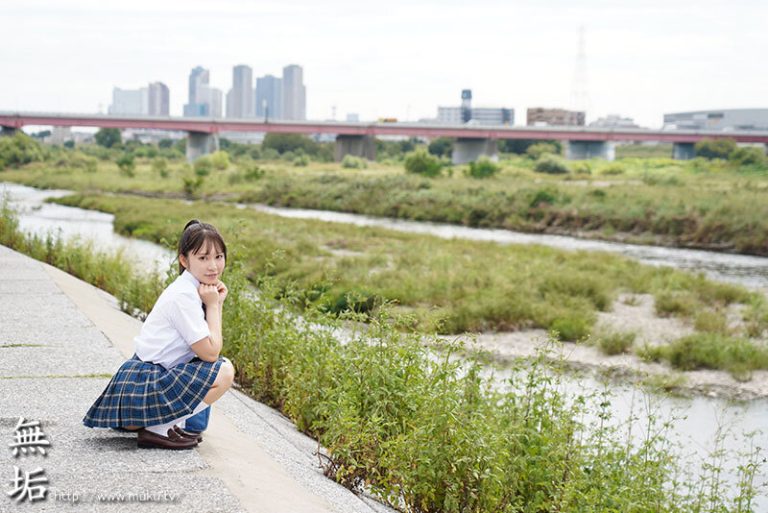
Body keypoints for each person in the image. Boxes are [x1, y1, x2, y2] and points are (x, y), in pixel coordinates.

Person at [83, 219, 235, 450]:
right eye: (203, 258)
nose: (213, 266)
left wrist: (216, 303)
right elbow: (211, 353)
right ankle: (158, 429)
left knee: (197, 423)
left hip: (145, 381)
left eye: (218, 256)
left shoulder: (191, 288)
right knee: (224, 370)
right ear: (184, 260)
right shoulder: (184, 296)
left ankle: (163, 424)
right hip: (145, 385)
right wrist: (214, 306)